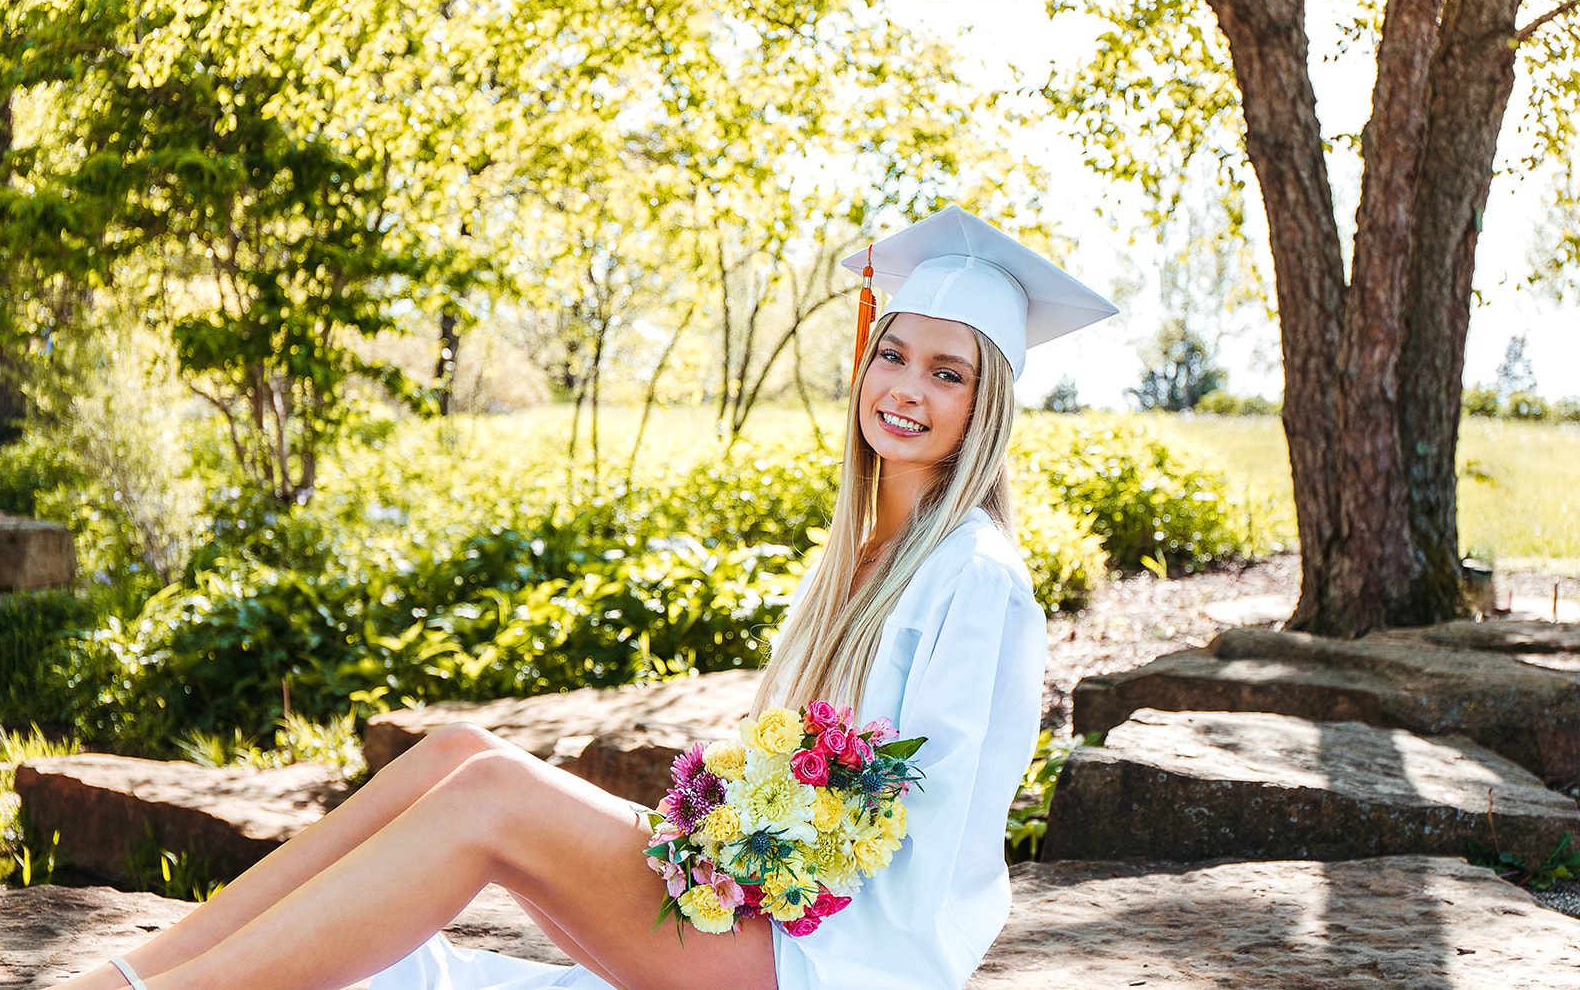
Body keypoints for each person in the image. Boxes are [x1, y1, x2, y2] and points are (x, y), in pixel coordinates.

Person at [59, 205, 1115, 990]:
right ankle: (136, 972)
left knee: (494, 799)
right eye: (893, 353)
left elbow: (928, 829)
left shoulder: (973, 577)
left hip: (833, 961)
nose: (904, 388)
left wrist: (755, 855)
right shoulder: (869, 547)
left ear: (987, 404)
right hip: (755, 911)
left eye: (947, 372)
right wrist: (720, 833)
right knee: (456, 752)